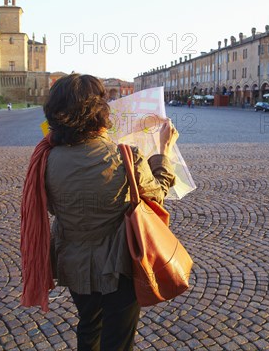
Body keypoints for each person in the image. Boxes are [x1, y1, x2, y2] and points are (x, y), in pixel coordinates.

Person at [21, 73, 178, 351]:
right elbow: (157, 196)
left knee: (89, 325)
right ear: (99, 111)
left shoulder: (45, 159)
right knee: (117, 340)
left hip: (74, 262)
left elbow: (49, 206)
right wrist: (163, 151)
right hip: (119, 266)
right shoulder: (126, 156)